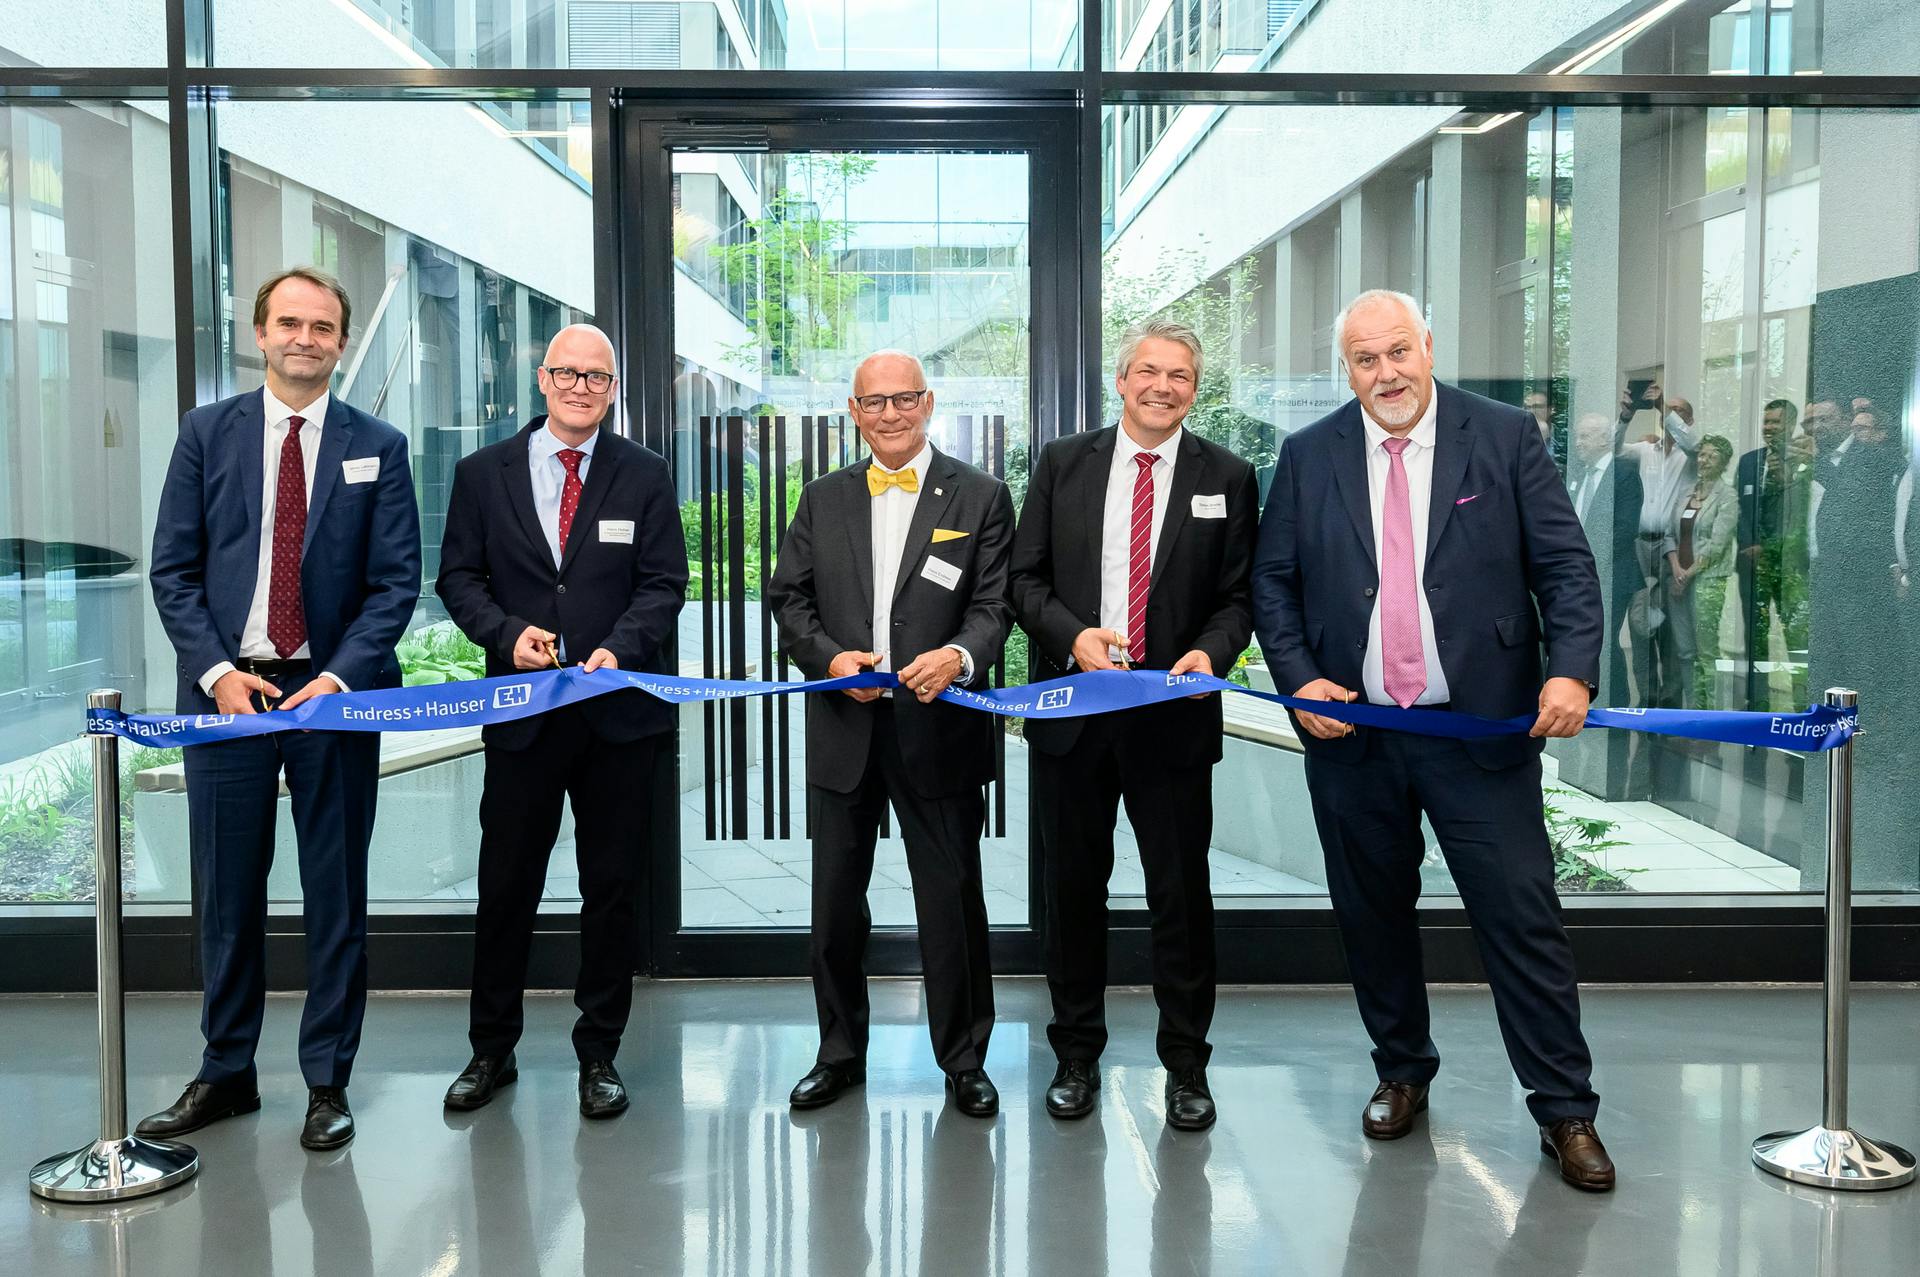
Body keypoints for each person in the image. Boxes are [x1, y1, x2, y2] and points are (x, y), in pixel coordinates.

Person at [1251, 289, 1614, 1191]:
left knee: (1521, 920)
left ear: (1429, 345)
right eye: (1365, 360)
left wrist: (1571, 670)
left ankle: (1565, 1108)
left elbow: (1566, 564)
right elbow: (1274, 585)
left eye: (1398, 352)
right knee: (1372, 917)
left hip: (1478, 731)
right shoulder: (1307, 455)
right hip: (1355, 735)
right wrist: (1297, 680)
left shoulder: (1502, 436)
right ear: (1348, 370)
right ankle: (1401, 1070)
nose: (1386, 374)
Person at [141, 267, 422, 1151]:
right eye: (289, 323)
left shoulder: (380, 442)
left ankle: (327, 1080)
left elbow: (394, 585)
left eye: (323, 326)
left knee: (336, 894)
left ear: (341, 342)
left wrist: (338, 677)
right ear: (259, 333)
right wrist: (217, 671)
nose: (306, 337)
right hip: (231, 699)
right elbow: (174, 571)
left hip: (332, 698)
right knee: (228, 894)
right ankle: (226, 1071)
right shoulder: (204, 433)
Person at [1008, 319, 1257, 1130]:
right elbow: (1024, 579)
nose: (1162, 386)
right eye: (1148, 371)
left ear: (1195, 386)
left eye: (1179, 375)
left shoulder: (1230, 473)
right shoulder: (1062, 463)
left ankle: (1187, 1065)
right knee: (1073, 892)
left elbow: (1240, 597)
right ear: (1121, 380)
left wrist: (1211, 653)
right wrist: (1070, 636)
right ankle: (1076, 1054)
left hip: (1173, 719)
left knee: (1180, 898)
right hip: (1076, 715)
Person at [435, 324, 688, 1121]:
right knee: (506, 885)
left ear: (612, 389)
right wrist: (507, 634)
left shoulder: (645, 475)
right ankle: (491, 1049)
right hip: (524, 715)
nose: (582, 387)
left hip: (619, 718)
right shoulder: (483, 473)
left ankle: (600, 1052)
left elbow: (664, 582)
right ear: (542, 379)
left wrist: (619, 647)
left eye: (598, 377)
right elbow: (458, 577)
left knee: (612, 889)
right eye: (568, 373)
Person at [768, 350, 1016, 1117]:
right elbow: (789, 599)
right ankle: (839, 1051)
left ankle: (965, 1058)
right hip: (846, 724)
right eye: (873, 402)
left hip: (939, 727)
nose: (889, 414)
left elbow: (995, 605)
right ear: (853, 410)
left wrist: (959, 655)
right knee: (835, 904)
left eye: (903, 399)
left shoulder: (980, 496)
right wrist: (829, 657)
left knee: (951, 900)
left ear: (929, 401)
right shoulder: (821, 497)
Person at [1735, 400, 1812, 710]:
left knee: (1794, 637)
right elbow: (1739, 509)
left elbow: (1801, 515)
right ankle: (1757, 703)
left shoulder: (1802, 462)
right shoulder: (1748, 462)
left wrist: (1767, 549)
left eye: (1775, 423)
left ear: (1790, 425)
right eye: (1765, 422)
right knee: (1755, 636)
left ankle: (1799, 704)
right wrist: (1747, 546)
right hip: (1750, 566)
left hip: (1788, 566)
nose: (1768, 428)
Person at [1667, 435, 1739, 709]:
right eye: (1702, 455)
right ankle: (1692, 709)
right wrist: (1676, 569)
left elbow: (1717, 545)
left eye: (1712, 456)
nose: (1704, 460)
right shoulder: (1685, 492)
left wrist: (1688, 574)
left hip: (1706, 581)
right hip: (1678, 579)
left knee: (1706, 651)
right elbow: (1668, 533)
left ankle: (1710, 713)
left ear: (1724, 463)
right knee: (1685, 651)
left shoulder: (1727, 496)